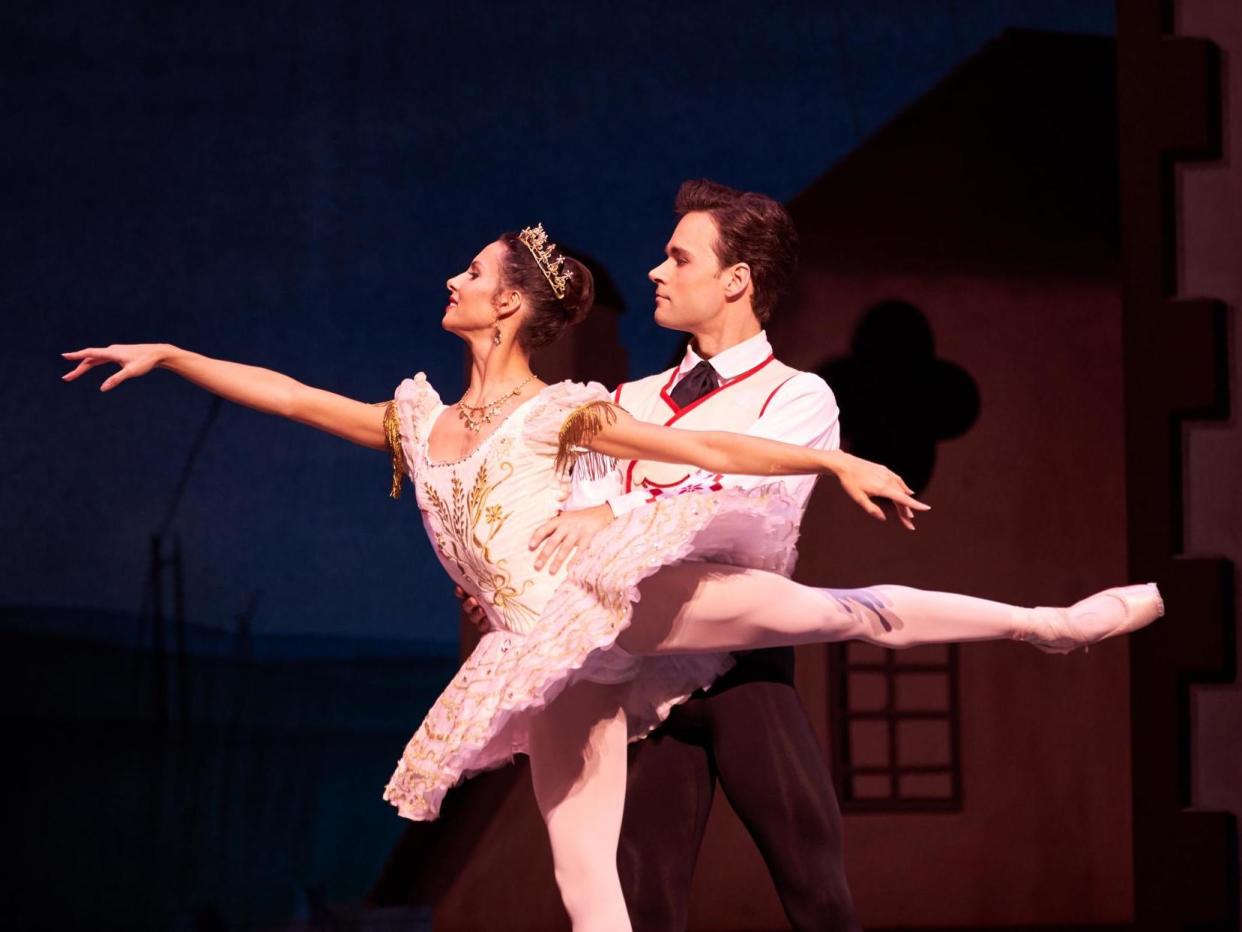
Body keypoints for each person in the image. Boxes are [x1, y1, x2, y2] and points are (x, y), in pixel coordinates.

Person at [63, 222, 1163, 932]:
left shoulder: (571, 406)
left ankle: (1049, 624)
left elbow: (717, 455)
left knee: (839, 616)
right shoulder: (418, 418)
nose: (451, 277)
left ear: (506, 307)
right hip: (547, 650)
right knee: (587, 883)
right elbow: (296, 396)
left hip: (628, 591)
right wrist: (169, 355)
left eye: (472, 271)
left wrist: (831, 455)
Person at [459, 179, 863, 931]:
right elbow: (562, 521)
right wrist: (506, 583)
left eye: (679, 258)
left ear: (736, 280)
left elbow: (740, 501)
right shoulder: (632, 401)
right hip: (641, 679)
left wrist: (613, 511)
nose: (656, 270)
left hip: (741, 664)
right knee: (643, 894)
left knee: (815, 889)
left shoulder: (797, 398)